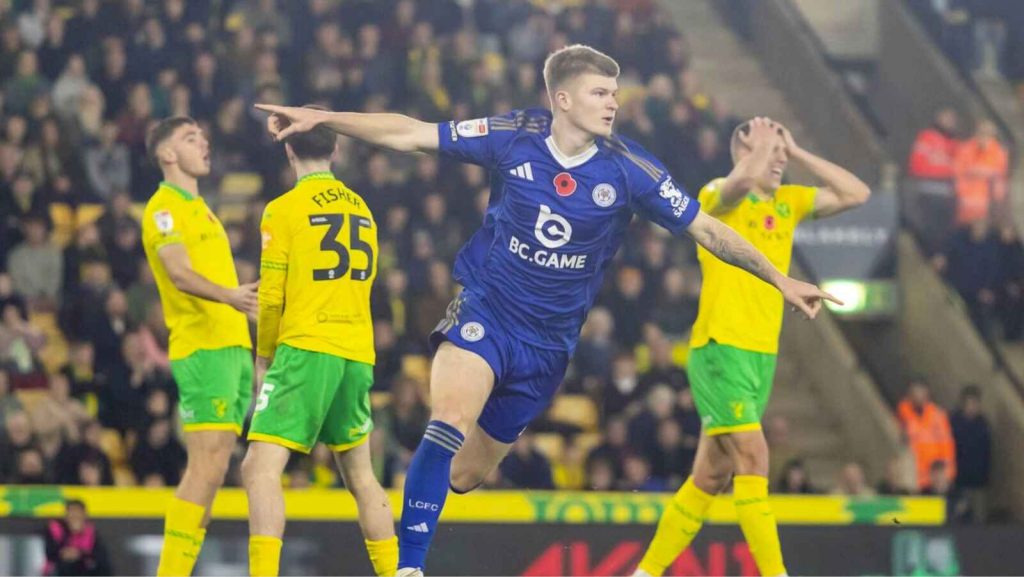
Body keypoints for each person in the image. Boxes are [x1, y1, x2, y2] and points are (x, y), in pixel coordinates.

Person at [257, 44, 837, 576]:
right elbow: (411, 133)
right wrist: (326, 119)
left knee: (466, 474)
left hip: (548, 347)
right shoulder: (514, 134)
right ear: (562, 98)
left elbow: (708, 229)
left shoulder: (628, 168)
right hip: (486, 309)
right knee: (448, 421)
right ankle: (409, 568)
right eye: (599, 93)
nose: (613, 103)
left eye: (614, 93)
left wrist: (781, 278)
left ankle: (424, 507)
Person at [635, 116, 870, 577]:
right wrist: (760, 147)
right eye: (768, 151)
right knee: (754, 455)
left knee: (710, 477)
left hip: (760, 354)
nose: (777, 161)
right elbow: (739, 183)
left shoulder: (788, 203)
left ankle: (644, 574)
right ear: (741, 150)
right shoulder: (714, 196)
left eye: (782, 155)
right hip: (720, 347)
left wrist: (795, 150)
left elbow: (856, 193)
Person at [241, 106, 397, 577]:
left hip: (307, 346)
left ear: (288, 149)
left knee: (258, 468)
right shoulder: (363, 210)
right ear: (337, 148)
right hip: (355, 350)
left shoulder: (283, 209)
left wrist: (264, 358)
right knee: (361, 477)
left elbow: (270, 296)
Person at [141, 116, 258, 576]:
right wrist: (232, 296)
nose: (203, 142)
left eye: (203, 136)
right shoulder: (164, 207)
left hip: (231, 347)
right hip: (203, 348)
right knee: (205, 467)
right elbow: (177, 272)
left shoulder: (201, 208)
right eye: (190, 138)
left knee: (214, 473)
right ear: (167, 154)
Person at [42, 499, 112, 576]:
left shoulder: (91, 532)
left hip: (82, 568)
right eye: (72, 513)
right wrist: (68, 537)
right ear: (66, 516)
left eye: (78, 513)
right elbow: (50, 554)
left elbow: (99, 556)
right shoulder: (56, 529)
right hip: (59, 568)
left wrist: (79, 554)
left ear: (84, 515)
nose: (75, 516)